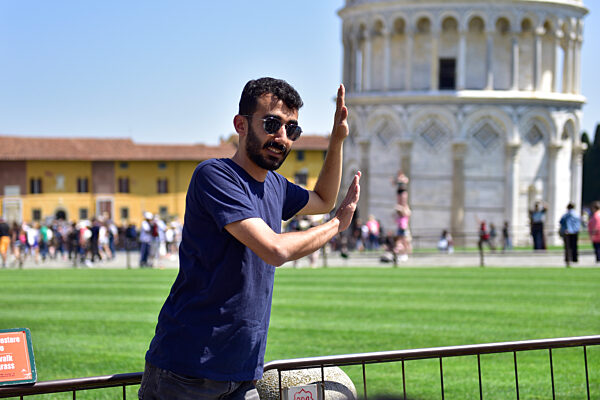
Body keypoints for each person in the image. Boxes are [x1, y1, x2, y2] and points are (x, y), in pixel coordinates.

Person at [139, 77, 360, 400]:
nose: (282, 137)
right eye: (272, 124)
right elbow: (274, 249)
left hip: (242, 372)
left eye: (292, 129)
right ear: (240, 125)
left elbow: (323, 200)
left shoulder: (276, 185)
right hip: (186, 371)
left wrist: (337, 141)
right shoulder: (215, 176)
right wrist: (337, 225)